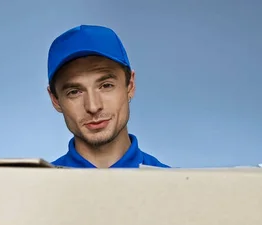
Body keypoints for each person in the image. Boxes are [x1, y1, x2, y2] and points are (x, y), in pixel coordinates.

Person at [46, 24, 170, 169]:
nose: (93, 106)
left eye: (106, 86)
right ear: (55, 100)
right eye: (74, 92)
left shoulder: (177, 187)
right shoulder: (34, 188)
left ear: (130, 85)